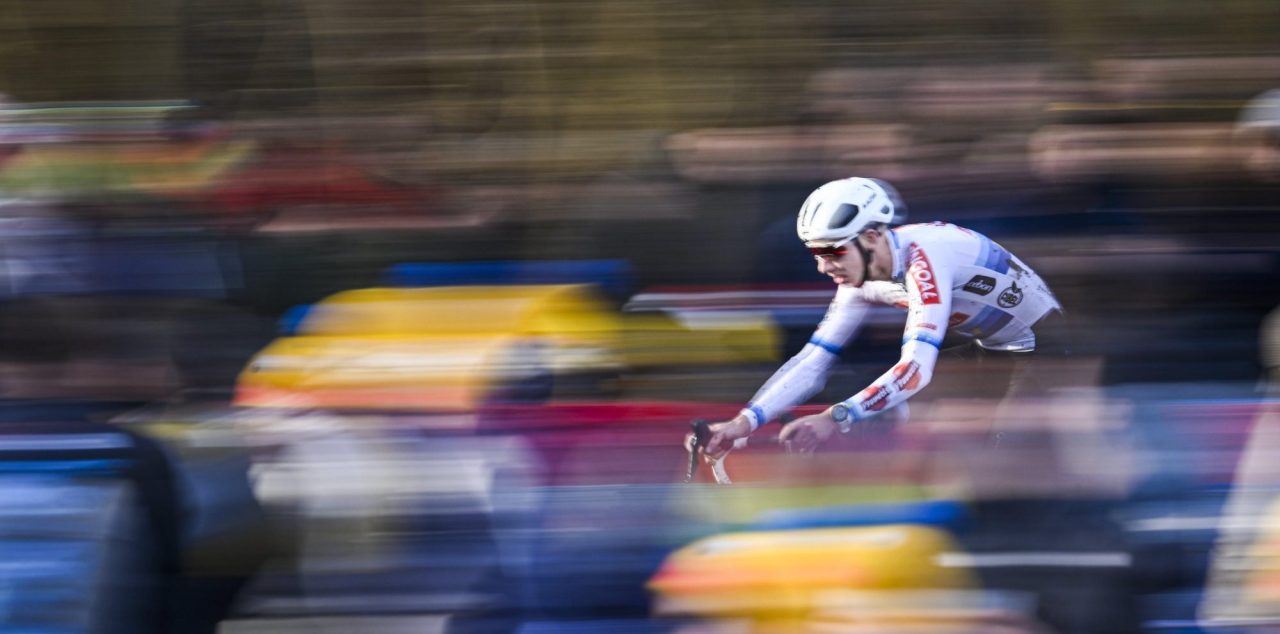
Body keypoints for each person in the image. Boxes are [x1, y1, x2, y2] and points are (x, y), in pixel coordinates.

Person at [703, 176, 1067, 456]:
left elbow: (915, 370)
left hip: (1049, 346)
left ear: (873, 236)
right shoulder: (860, 277)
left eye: (832, 252)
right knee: (906, 420)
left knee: (1007, 447)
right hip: (996, 347)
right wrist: (743, 422)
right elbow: (815, 359)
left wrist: (835, 417)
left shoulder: (924, 260)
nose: (822, 266)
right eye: (815, 254)